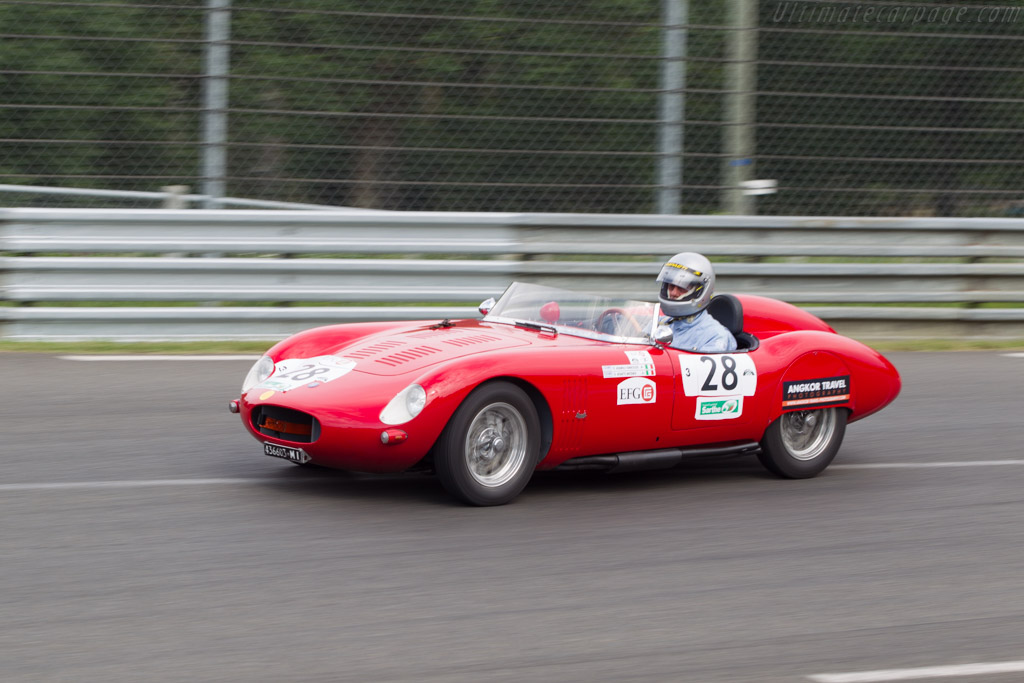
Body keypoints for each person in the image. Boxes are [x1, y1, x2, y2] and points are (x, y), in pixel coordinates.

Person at [656, 252, 737, 353]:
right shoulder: (659, 323)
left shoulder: (715, 337)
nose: (673, 293)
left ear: (700, 291)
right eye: (671, 286)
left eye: (682, 288)